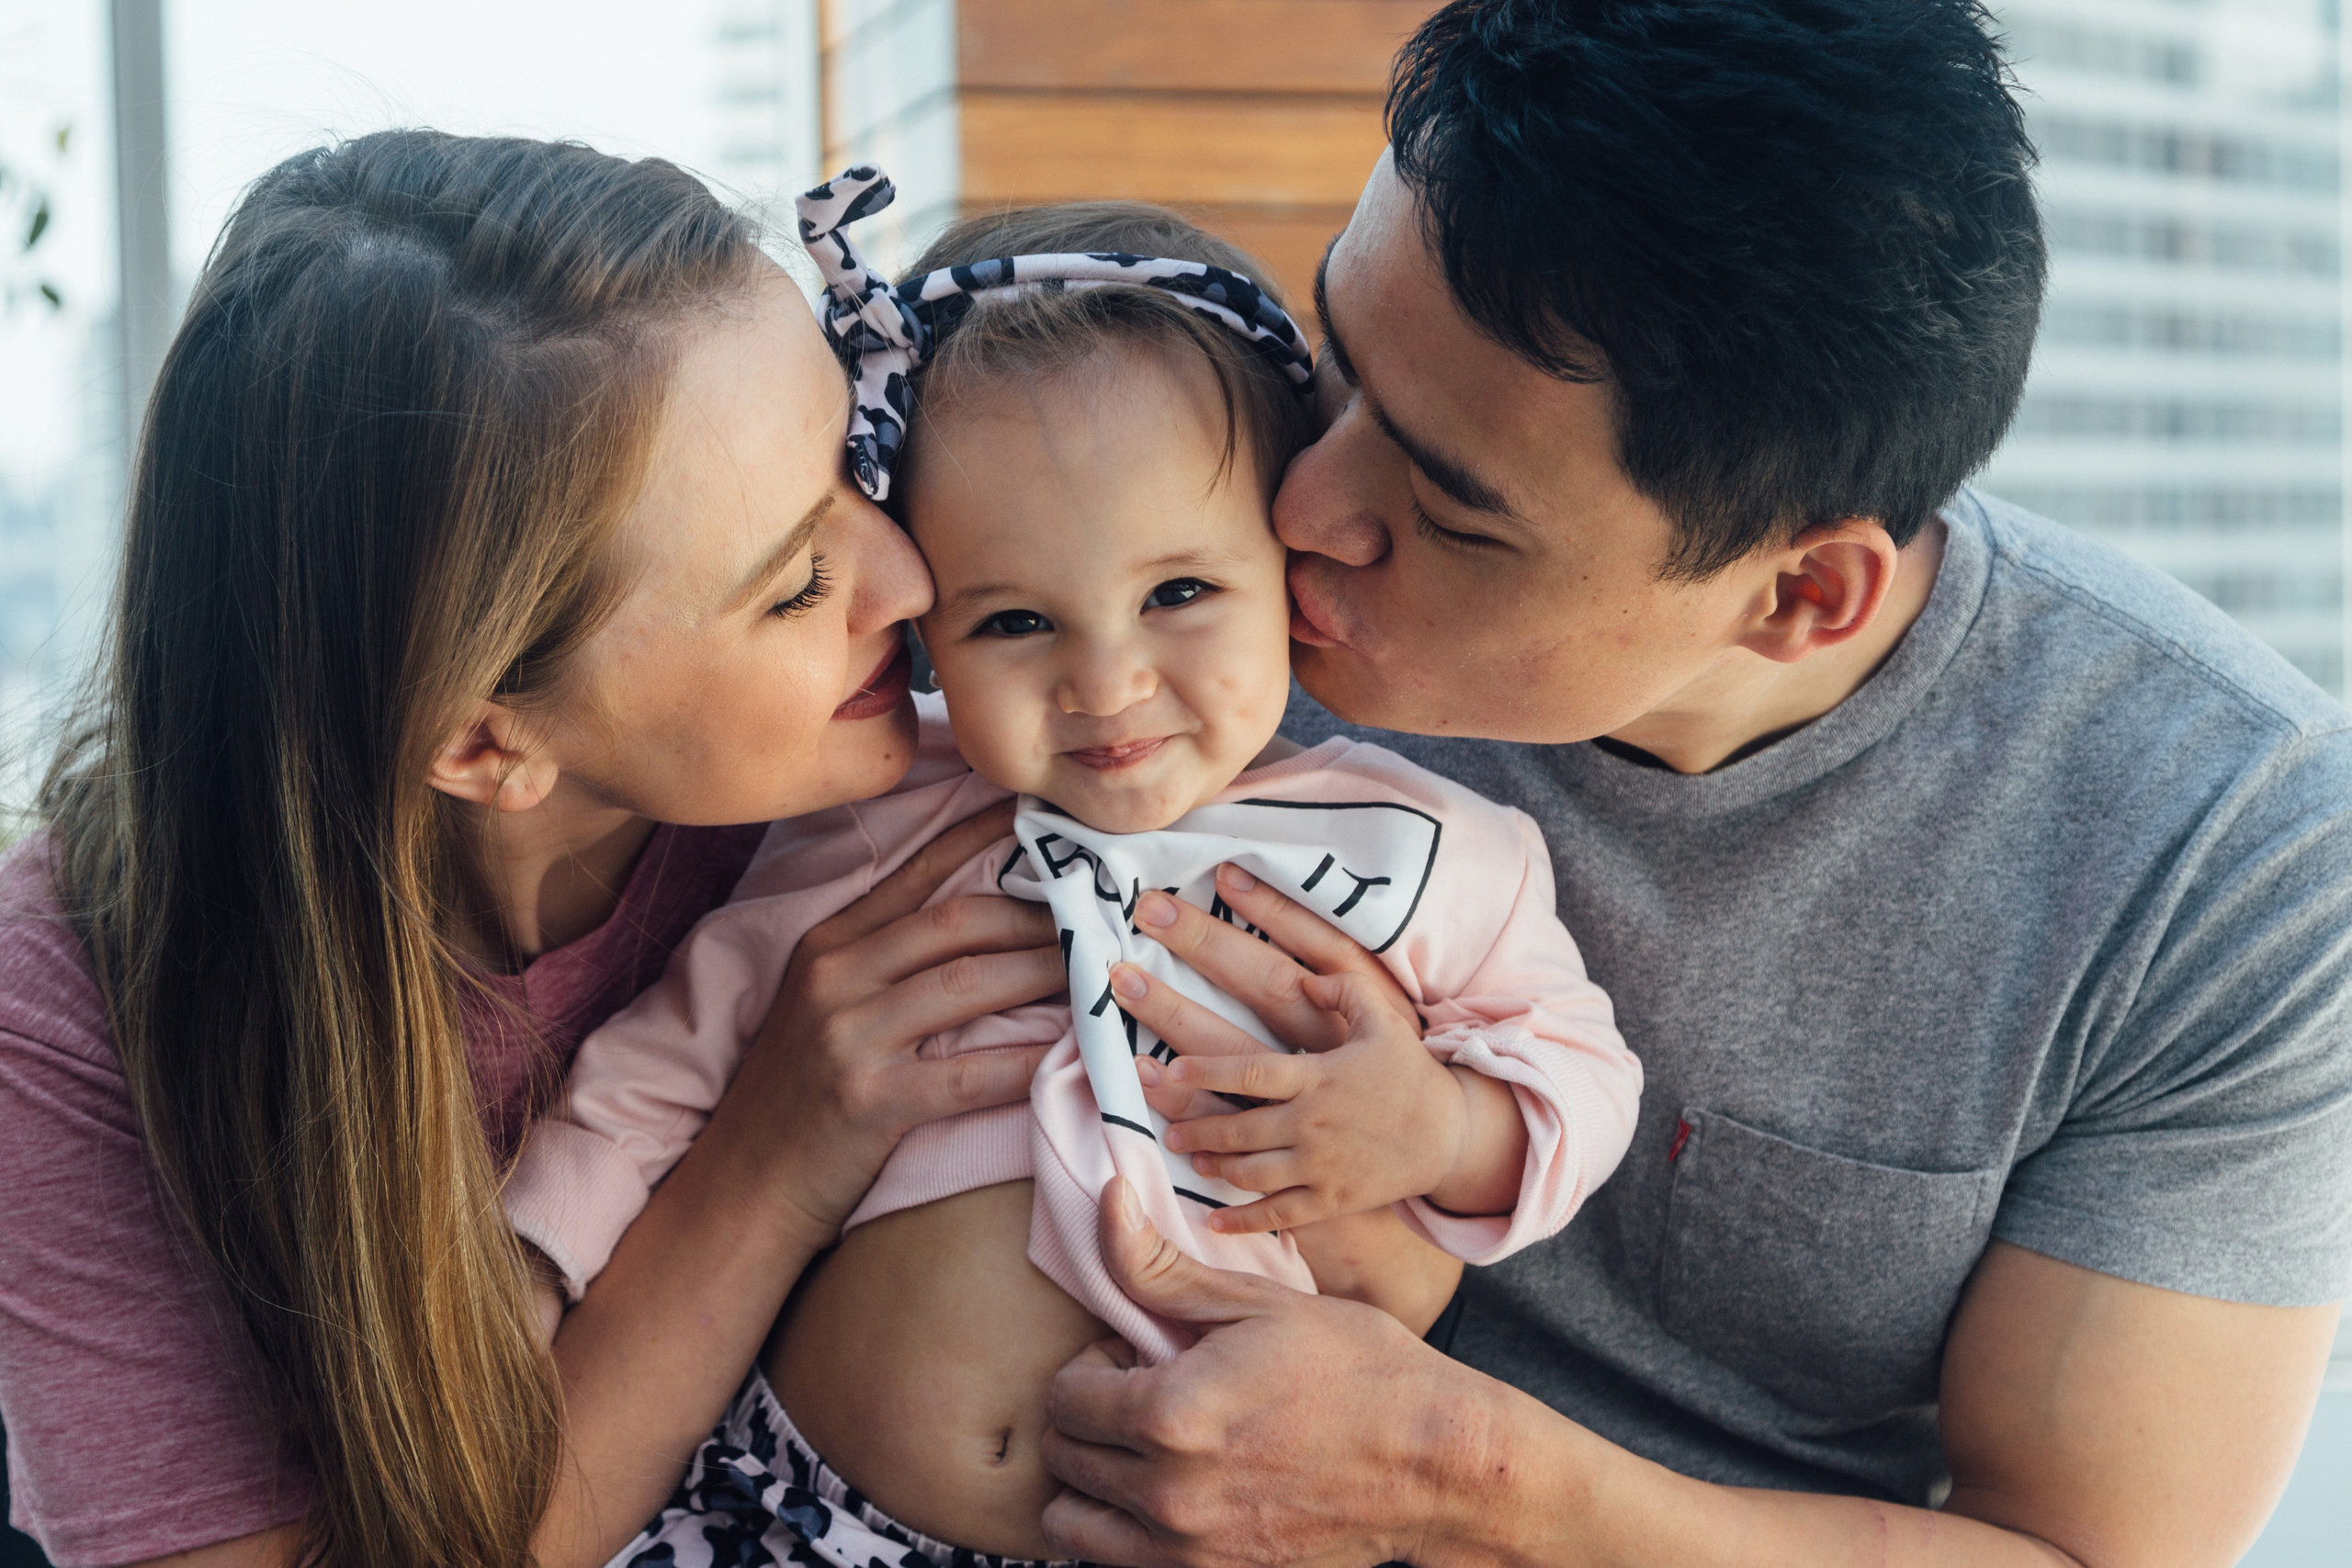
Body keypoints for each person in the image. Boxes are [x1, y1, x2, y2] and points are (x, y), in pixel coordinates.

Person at [1032, 3, 2352, 1565]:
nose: (1303, 511)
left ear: (1802, 598)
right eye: (1338, 360)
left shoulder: (2225, 855)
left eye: (1451, 516)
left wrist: (1458, 1477)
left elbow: (2078, 1551)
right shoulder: (1173, 586)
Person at [498, 182, 1641, 1566]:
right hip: (809, 1517)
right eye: (1018, 620)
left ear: (1289, 565)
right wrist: (531, 1270)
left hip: (1219, 1515)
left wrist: (1441, 1131)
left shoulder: (1427, 847)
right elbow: (668, 1061)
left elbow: (1579, 1069)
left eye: (1178, 595)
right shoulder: (891, 821)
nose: (1106, 685)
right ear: (926, 621)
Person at [0, 131, 1074, 1568]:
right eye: (795, 583)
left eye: (859, 458)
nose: (915, 579)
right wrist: (770, 1156)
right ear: (485, 744)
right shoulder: (71, 1012)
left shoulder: (946, 739)